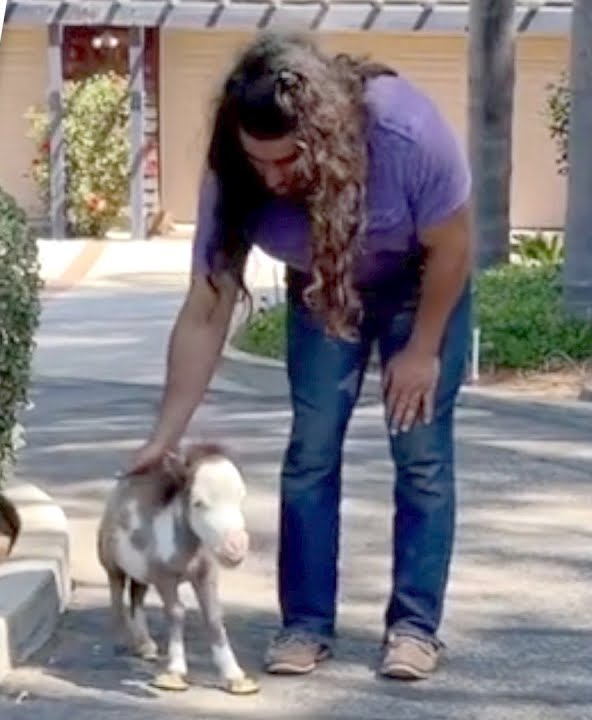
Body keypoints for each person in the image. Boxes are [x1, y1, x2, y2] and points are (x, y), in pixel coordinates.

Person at [128, 30, 473, 681]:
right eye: (259, 162)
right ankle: (306, 624)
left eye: (287, 161)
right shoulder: (236, 175)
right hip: (323, 288)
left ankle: (414, 628)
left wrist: (424, 348)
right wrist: (164, 437)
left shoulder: (406, 134)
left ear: (326, 136)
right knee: (311, 450)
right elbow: (206, 309)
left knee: (421, 452)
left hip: (424, 285)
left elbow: (455, 246)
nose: (273, 178)